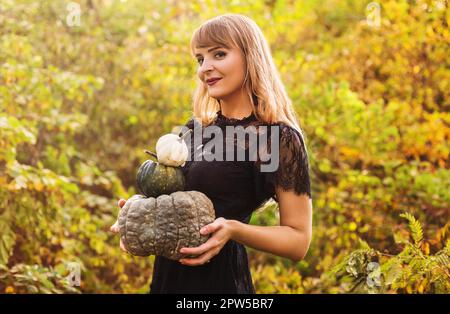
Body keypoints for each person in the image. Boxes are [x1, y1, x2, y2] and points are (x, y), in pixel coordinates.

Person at [110, 13, 312, 294]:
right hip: (168, 282)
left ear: (250, 57)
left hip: (221, 284)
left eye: (219, 54)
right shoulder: (195, 129)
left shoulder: (277, 139)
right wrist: (140, 217)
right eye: (200, 59)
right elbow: (177, 202)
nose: (206, 67)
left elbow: (298, 241)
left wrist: (233, 230)